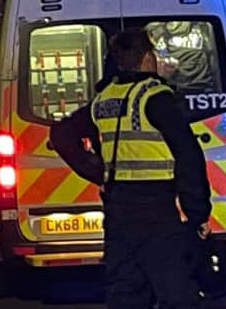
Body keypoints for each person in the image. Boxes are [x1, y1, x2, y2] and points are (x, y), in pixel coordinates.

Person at [49, 28, 211, 308]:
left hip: (117, 209)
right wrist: (198, 213)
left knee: (125, 291)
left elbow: (62, 135)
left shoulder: (105, 98)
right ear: (148, 57)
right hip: (155, 210)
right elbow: (188, 154)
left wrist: (97, 171)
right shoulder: (156, 97)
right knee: (177, 292)